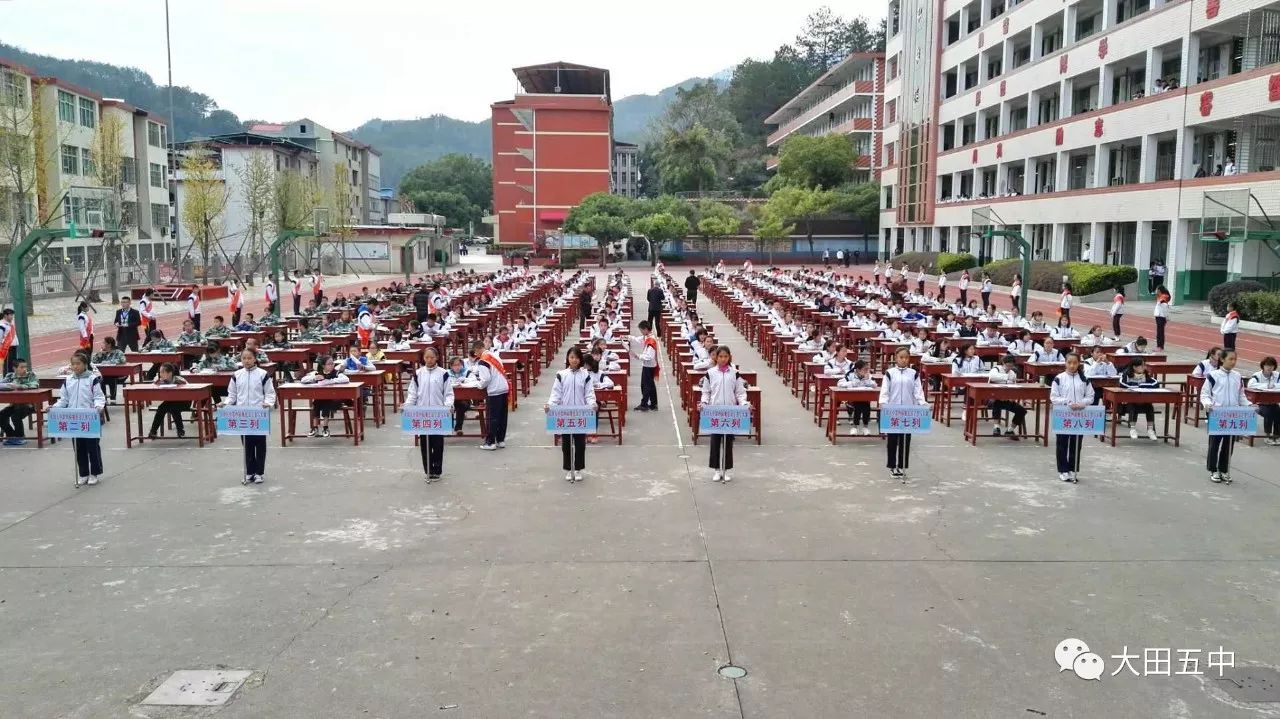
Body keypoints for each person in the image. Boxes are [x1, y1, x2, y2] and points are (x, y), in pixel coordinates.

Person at [223, 348, 276, 485]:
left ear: (255, 359)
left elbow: (270, 393)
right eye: (244, 358)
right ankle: (249, 472)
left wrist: (268, 403)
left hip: (258, 414)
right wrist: (226, 403)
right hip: (243, 414)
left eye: (249, 358)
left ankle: (259, 473)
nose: (246, 361)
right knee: (247, 444)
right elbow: (232, 395)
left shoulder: (263, 374)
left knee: (260, 444)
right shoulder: (236, 375)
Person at [546, 347, 597, 482]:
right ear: (568, 359)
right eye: (571, 357)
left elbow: (589, 394)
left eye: (576, 357)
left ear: (580, 359)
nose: (574, 360)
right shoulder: (561, 375)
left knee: (580, 443)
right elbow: (556, 394)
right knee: (566, 443)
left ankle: (578, 469)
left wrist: (593, 404)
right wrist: (550, 405)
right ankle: (569, 469)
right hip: (565, 414)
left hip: (581, 413)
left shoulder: (585, 375)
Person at [699, 345, 749, 483]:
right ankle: (716, 470)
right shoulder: (710, 373)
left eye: (725, 357)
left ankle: (725, 470)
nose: (722, 359)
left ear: (729, 357)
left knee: (728, 442)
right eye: (720, 356)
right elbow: (706, 392)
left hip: (730, 412)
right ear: (716, 357)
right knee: (715, 441)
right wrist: (704, 403)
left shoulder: (734, 373)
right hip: (715, 411)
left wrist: (744, 403)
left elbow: (740, 392)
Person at [55, 351, 106, 486]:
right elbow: (64, 399)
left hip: (89, 418)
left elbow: (99, 397)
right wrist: (54, 407)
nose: (75, 366)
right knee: (78, 447)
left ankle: (94, 473)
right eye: (73, 364)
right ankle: (83, 473)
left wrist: (98, 407)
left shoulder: (92, 379)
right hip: (74, 419)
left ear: (85, 365)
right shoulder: (68, 380)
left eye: (78, 364)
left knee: (92, 447)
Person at [1200, 349, 1251, 483]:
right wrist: (1208, 404)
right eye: (1230, 359)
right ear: (1222, 360)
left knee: (1229, 444)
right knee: (1215, 443)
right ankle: (1213, 469)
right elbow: (1205, 394)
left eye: (1235, 359)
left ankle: (1224, 469)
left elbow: (1241, 396)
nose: (1233, 362)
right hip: (1217, 413)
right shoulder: (1213, 375)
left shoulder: (1237, 376)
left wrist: (1248, 405)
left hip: (1233, 414)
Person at [406, 346, 454, 482]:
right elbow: (413, 393)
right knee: (425, 443)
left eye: (432, 357)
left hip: (438, 413)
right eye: (426, 357)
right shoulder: (418, 373)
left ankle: (437, 470)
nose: (429, 359)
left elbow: (448, 393)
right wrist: (408, 406)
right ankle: (428, 470)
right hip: (423, 413)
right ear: (423, 358)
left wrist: (448, 406)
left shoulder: (443, 373)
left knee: (437, 443)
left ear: (437, 358)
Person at [880, 346, 928, 480]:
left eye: (906, 357)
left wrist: (922, 403)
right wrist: (883, 402)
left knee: (905, 440)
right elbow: (885, 390)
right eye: (901, 357)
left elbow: (918, 391)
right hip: (893, 410)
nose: (904, 360)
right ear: (896, 358)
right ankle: (892, 466)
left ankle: (902, 465)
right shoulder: (890, 373)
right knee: (892, 440)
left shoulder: (913, 374)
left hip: (908, 410)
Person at [1050, 352, 1094, 483]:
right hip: (1064, 414)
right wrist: (1066, 402)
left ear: (1079, 364)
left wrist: (1082, 403)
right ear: (1065, 363)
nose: (1072, 365)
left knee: (1076, 443)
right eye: (1069, 362)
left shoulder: (1084, 379)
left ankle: (1072, 468)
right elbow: (1053, 397)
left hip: (1079, 415)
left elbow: (1090, 396)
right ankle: (1063, 470)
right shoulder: (1059, 378)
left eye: (1075, 363)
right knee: (1062, 443)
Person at [471, 341, 510, 450]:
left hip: (494, 390)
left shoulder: (483, 361)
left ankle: (490, 442)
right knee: (502, 416)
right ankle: (500, 440)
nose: (475, 354)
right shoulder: (494, 356)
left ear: (478, 349)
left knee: (492, 417)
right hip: (503, 387)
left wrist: (478, 385)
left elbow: (486, 379)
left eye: (475, 352)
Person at [1120, 358, 1161, 441]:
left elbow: (1155, 383)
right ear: (1134, 367)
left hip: (1143, 402)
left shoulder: (1145, 375)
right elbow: (1123, 385)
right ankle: (1132, 429)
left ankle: (1150, 430)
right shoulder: (1126, 375)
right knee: (1133, 405)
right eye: (1142, 365)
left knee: (1150, 407)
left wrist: (1142, 385)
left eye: (1144, 365)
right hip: (1128, 403)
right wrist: (1139, 386)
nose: (1144, 367)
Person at [987, 354, 1027, 438]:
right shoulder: (996, 369)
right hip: (993, 398)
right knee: (997, 401)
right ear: (1003, 363)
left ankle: (1010, 430)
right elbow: (992, 377)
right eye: (1008, 365)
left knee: (1021, 410)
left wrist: (1012, 396)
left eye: (1011, 366)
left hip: (1007, 398)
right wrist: (1006, 378)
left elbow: (1013, 385)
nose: (1009, 368)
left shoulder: (1012, 373)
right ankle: (996, 427)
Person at [0, 358, 39, 445]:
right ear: (14, 368)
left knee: (15, 416)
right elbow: (1, 384)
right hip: (14, 405)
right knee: (1, 416)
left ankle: (20, 437)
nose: (24, 369)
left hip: (28, 405)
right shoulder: (10, 376)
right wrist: (7, 386)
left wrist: (20, 386)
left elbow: (35, 384)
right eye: (21, 367)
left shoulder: (30, 375)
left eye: (25, 367)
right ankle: (11, 436)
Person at [148, 363, 190, 440]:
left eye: (162, 372)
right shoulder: (161, 381)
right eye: (160, 372)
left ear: (170, 373)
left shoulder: (179, 380)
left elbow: (190, 391)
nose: (160, 374)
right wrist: (155, 383)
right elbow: (153, 388)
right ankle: (180, 430)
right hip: (172, 402)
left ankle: (153, 431)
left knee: (163, 408)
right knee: (167, 407)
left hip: (185, 402)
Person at [838, 359, 877, 436]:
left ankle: (865, 427)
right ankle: (855, 427)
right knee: (858, 405)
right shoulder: (850, 375)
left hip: (865, 399)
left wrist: (867, 380)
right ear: (858, 370)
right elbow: (839, 383)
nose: (866, 371)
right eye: (865, 369)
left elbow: (875, 385)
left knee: (866, 406)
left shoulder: (868, 376)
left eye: (867, 369)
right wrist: (853, 383)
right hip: (852, 399)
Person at [630, 320, 660, 412]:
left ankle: (644, 404)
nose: (641, 333)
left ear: (646, 329)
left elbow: (649, 356)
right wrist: (628, 337)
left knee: (645, 386)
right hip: (650, 365)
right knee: (650, 385)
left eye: (641, 331)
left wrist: (637, 356)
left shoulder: (651, 341)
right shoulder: (647, 336)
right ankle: (654, 404)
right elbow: (638, 339)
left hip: (649, 366)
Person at [1249, 356, 1279, 445]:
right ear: (1263, 366)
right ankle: (1268, 435)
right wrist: (1266, 386)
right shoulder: (1257, 375)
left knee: (1278, 412)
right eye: (1267, 365)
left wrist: (1274, 386)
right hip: (1260, 404)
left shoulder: (1277, 375)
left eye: (1272, 366)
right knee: (1269, 412)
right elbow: (1251, 385)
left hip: (1273, 403)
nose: (1269, 367)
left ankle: (1276, 436)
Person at [92, 337, 126, 404]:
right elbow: (93, 362)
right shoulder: (102, 353)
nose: (102, 344)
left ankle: (113, 398)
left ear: (109, 344)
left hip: (118, 374)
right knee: (100, 379)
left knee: (112, 378)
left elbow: (123, 360)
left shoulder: (118, 352)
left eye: (104, 343)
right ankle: (104, 398)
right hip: (104, 374)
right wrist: (98, 354)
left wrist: (110, 362)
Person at [1153, 284, 1171, 350]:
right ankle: (1159, 346)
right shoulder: (1160, 296)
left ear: (1160, 290)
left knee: (1160, 332)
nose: (1156, 291)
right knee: (1159, 332)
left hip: (1161, 317)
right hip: (1158, 316)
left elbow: (1165, 308)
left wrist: (1167, 318)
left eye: (1157, 289)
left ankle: (1160, 346)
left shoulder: (1163, 297)